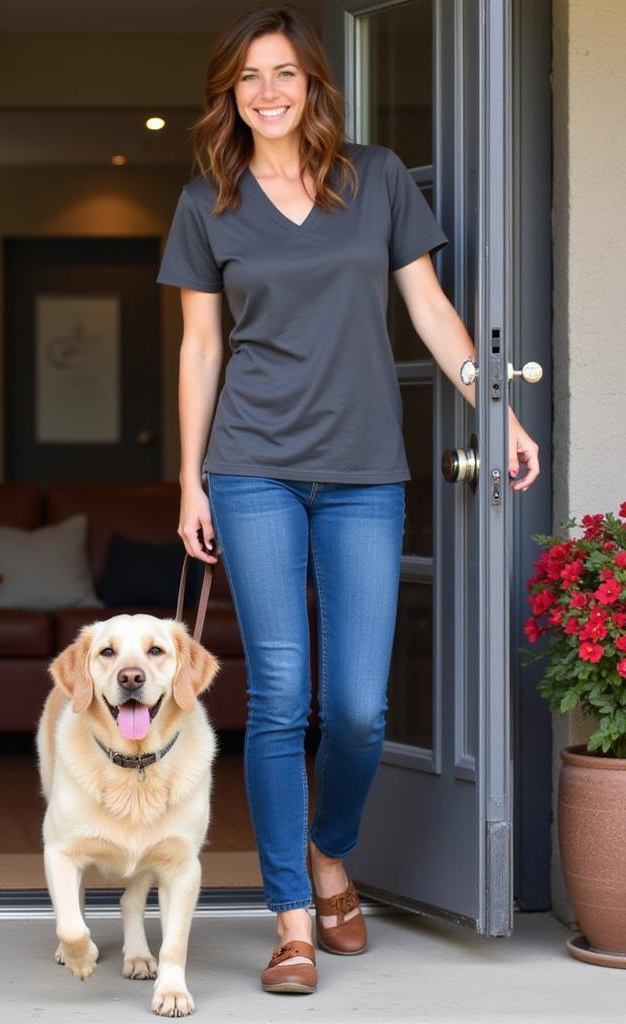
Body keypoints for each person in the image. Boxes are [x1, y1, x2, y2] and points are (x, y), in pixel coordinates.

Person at [157, 5, 540, 996]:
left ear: (312, 84)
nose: (267, 92)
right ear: (228, 95)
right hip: (251, 469)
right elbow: (201, 348)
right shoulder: (208, 203)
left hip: (365, 469)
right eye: (248, 78)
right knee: (280, 696)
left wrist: (493, 411)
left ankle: (332, 850)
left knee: (359, 709)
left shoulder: (371, 180)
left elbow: (428, 308)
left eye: (282, 73)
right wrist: (191, 476)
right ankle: (291, 918)